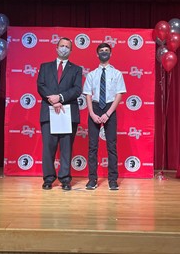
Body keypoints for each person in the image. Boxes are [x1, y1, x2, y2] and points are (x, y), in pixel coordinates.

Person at [37, 37, 82, 191]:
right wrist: (53, 100)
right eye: (62, 46)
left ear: (71, 50)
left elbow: (77, 89)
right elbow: (40, 86)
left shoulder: (76, 69)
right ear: (56, 48)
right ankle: (48, 179)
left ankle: (65, 179)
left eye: (67, 47)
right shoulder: (45, 67)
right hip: (49, 112)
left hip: (68, 113)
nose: (64, 48)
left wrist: (61, 98)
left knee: (66, 148)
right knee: (48, 148)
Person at [83, 43, 126, 190]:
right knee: (92, 147)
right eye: (101, 51)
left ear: (111, 54)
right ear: (97, 54)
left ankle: (112, 180)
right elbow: (88, 95)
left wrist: (108, 113)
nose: (104, 53)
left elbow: (119, 95)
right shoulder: (91, 74)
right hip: (94, 107)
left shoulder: (117, 74)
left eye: (107, 51)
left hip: (109, 107)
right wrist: (92, 114)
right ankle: (92, 180)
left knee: (111, 146)